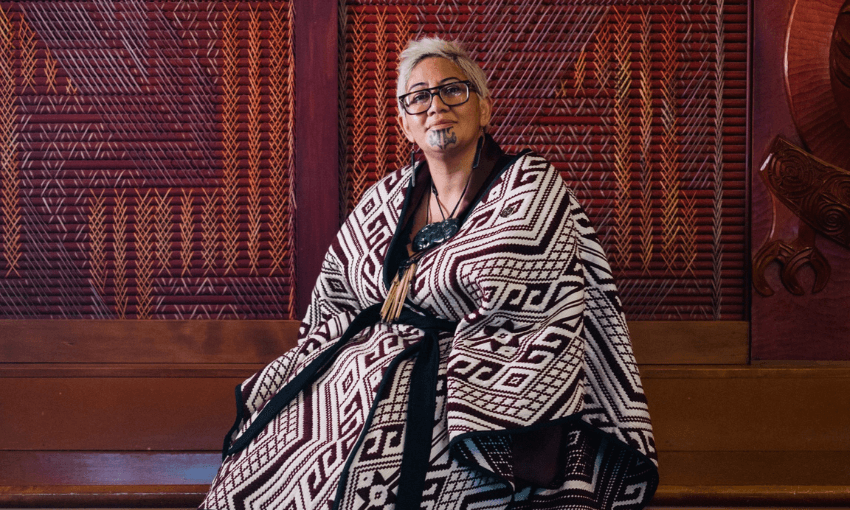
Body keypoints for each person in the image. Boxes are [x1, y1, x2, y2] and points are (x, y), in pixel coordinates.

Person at [200, 37, 658, 510]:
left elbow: (517, 292)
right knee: (269, 460)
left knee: (372, 481)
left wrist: (412, 314)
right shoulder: (386, 196)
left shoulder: (531, 184)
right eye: (418, 97)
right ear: (406, 124)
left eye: (452, 91)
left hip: (468, 398)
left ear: (483, 109)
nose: (435, 106)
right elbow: (335, 299)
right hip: (355, 380)